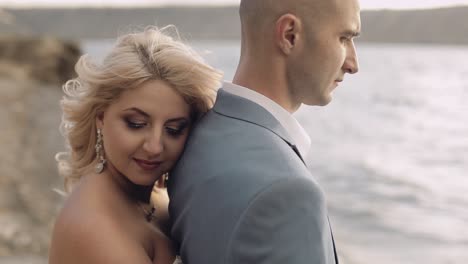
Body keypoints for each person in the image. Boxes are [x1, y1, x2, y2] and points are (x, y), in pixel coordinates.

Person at [168, 0, 360, 263]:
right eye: (344, 38)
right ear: (289, 35)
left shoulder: (197, 135)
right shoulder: (289, 193)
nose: (353, 63)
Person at [48, 26, 222, 264]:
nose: (155, 147)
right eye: (136, 124)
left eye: (174, 129)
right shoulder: (94, 227)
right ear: (100, 116)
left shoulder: (156, 196)